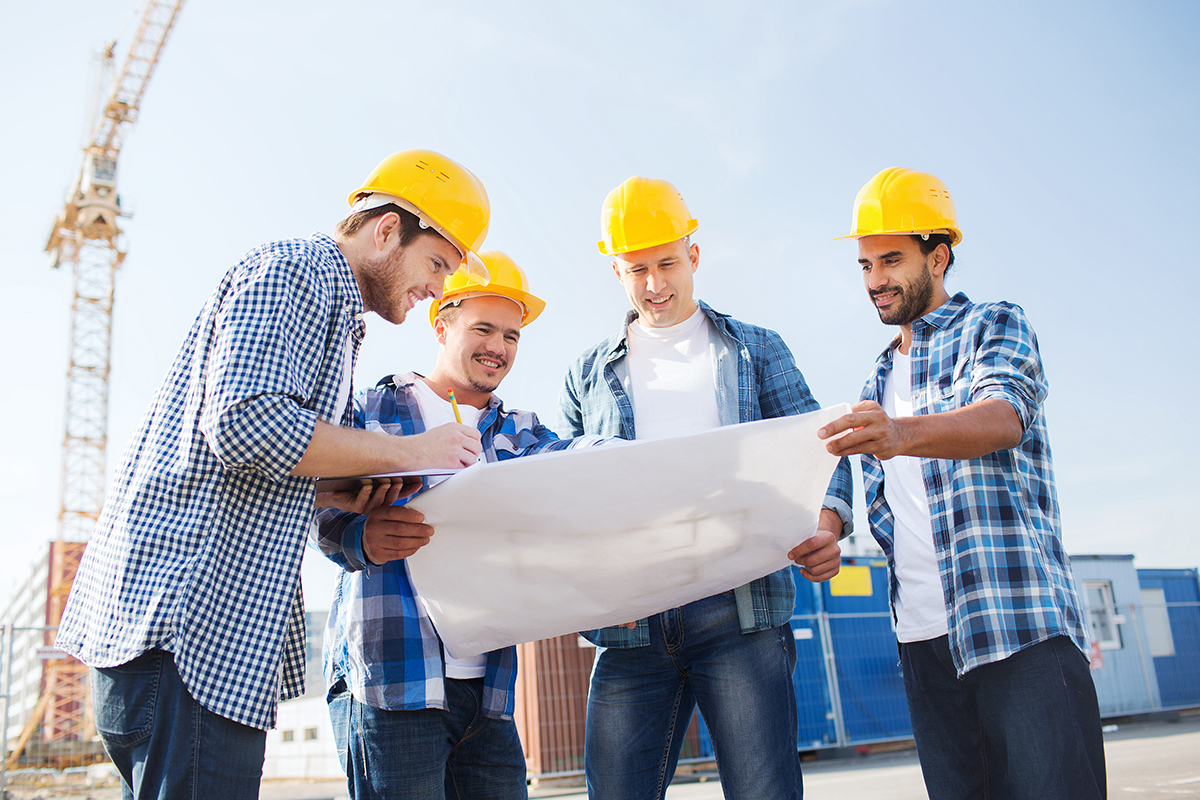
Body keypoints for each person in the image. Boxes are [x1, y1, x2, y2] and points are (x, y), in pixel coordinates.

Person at [55, 149, 494, 799]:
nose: (438, 286)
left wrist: (344, 488)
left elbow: (256, 453)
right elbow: (244, 423)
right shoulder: (300, 272)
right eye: (436, 263)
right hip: (189, 633)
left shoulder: (330, 308)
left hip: (185, 641)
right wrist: (409, 451)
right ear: (385, 230)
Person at [558, 176, 854, 800]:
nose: (654, 283)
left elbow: (824, 448)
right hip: (630, 623)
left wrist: (828, 523)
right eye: (636, 269)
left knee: (763, 792)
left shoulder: (756, 350)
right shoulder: (586, 373)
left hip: (738, 613)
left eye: (666, 263)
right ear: (615, 270)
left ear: (694, 254)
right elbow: (562, 488)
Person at [820, 167, 1105, 799]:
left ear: (939, 256)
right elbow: (841, 476)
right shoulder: (873, 384)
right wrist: (825, 529)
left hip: (1016, 627)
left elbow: (1003, 417)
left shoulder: (994, 326)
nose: (876, 281)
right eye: (865, 265)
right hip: (924, 644)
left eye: (891, 260)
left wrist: (901, 434)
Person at [317, 252, 603, 799]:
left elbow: (574, 464)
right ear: (441, 323)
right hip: (391, 686)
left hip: (488, 693)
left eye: (512, 336)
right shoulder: (370, 411)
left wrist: (636, 455)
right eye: (483, 328)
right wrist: (360, 539)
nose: (499, 347)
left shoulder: (518, 432)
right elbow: (317, 508)